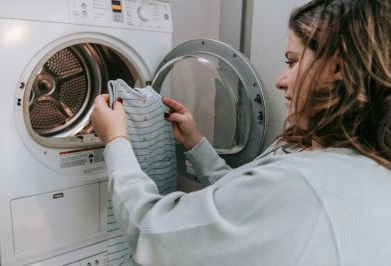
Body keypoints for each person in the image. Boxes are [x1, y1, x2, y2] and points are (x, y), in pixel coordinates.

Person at [90, 0, 391, 265]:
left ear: (337, 65)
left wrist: (116, 140)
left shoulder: (303, 182)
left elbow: (152, 232)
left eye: (292, 61)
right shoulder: (358, 162)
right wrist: (196, 143)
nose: (280, 80)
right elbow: (244, 206)